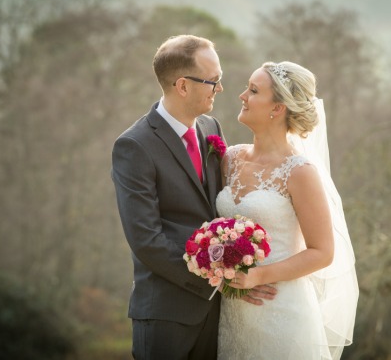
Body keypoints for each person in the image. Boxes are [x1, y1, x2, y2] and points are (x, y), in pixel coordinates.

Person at [216, 61, 359, 360]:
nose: (242, 95)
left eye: (253, 90)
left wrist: (258, 276)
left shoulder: (300, 172)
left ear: (277, 108)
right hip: (231, 313)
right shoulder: (228, 159)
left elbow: (322, 252)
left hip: (280, 312)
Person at [111, 34, 232, 359]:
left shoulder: (211, 128)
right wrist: (212, 281)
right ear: (182, 85)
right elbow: (146, 240)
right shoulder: (135, 146)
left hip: (218, 314)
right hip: (166, 313)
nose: (219, 88)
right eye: (213, 81)